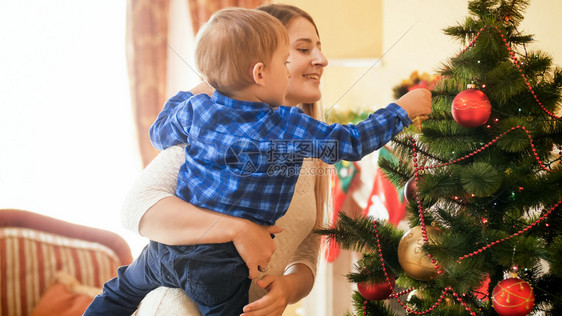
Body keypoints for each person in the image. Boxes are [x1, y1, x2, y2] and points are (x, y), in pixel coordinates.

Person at [121, 4, 432, 316]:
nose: (322, 60)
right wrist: (236, 229)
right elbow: (135, 209)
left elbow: (307, 255)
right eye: (300, 49)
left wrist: (287, 287)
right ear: (257, 67)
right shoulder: (212, 130)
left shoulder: (305, 142)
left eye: (319, 48)